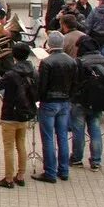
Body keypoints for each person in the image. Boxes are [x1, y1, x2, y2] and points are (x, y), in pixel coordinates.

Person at [0, 43, 38, 188]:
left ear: (14, 56)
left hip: (10, 114)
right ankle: (20, 176)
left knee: (9, 147)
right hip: (25, 113)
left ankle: (8, 179)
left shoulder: (11, 73)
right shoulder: (33, 71)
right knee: (21, 144)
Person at [32, 32, 78, 184]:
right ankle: (64, 170)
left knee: (48, 138)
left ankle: (50, 172)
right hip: (65, 102)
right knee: (63, 136)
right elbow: (75, 83)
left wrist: (39, 99)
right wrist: (69, 98)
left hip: (49, 102)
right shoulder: (72, 61)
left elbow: (42, 85)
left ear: (49, 45)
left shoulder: (46, 62)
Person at [70, 36, 104, 171]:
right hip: (98, 101)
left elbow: (73, 82)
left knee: (78, 131)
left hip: (80, 101)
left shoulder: (79, 62)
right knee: (95, 129)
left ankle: (77, 158)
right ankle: (96, 161)